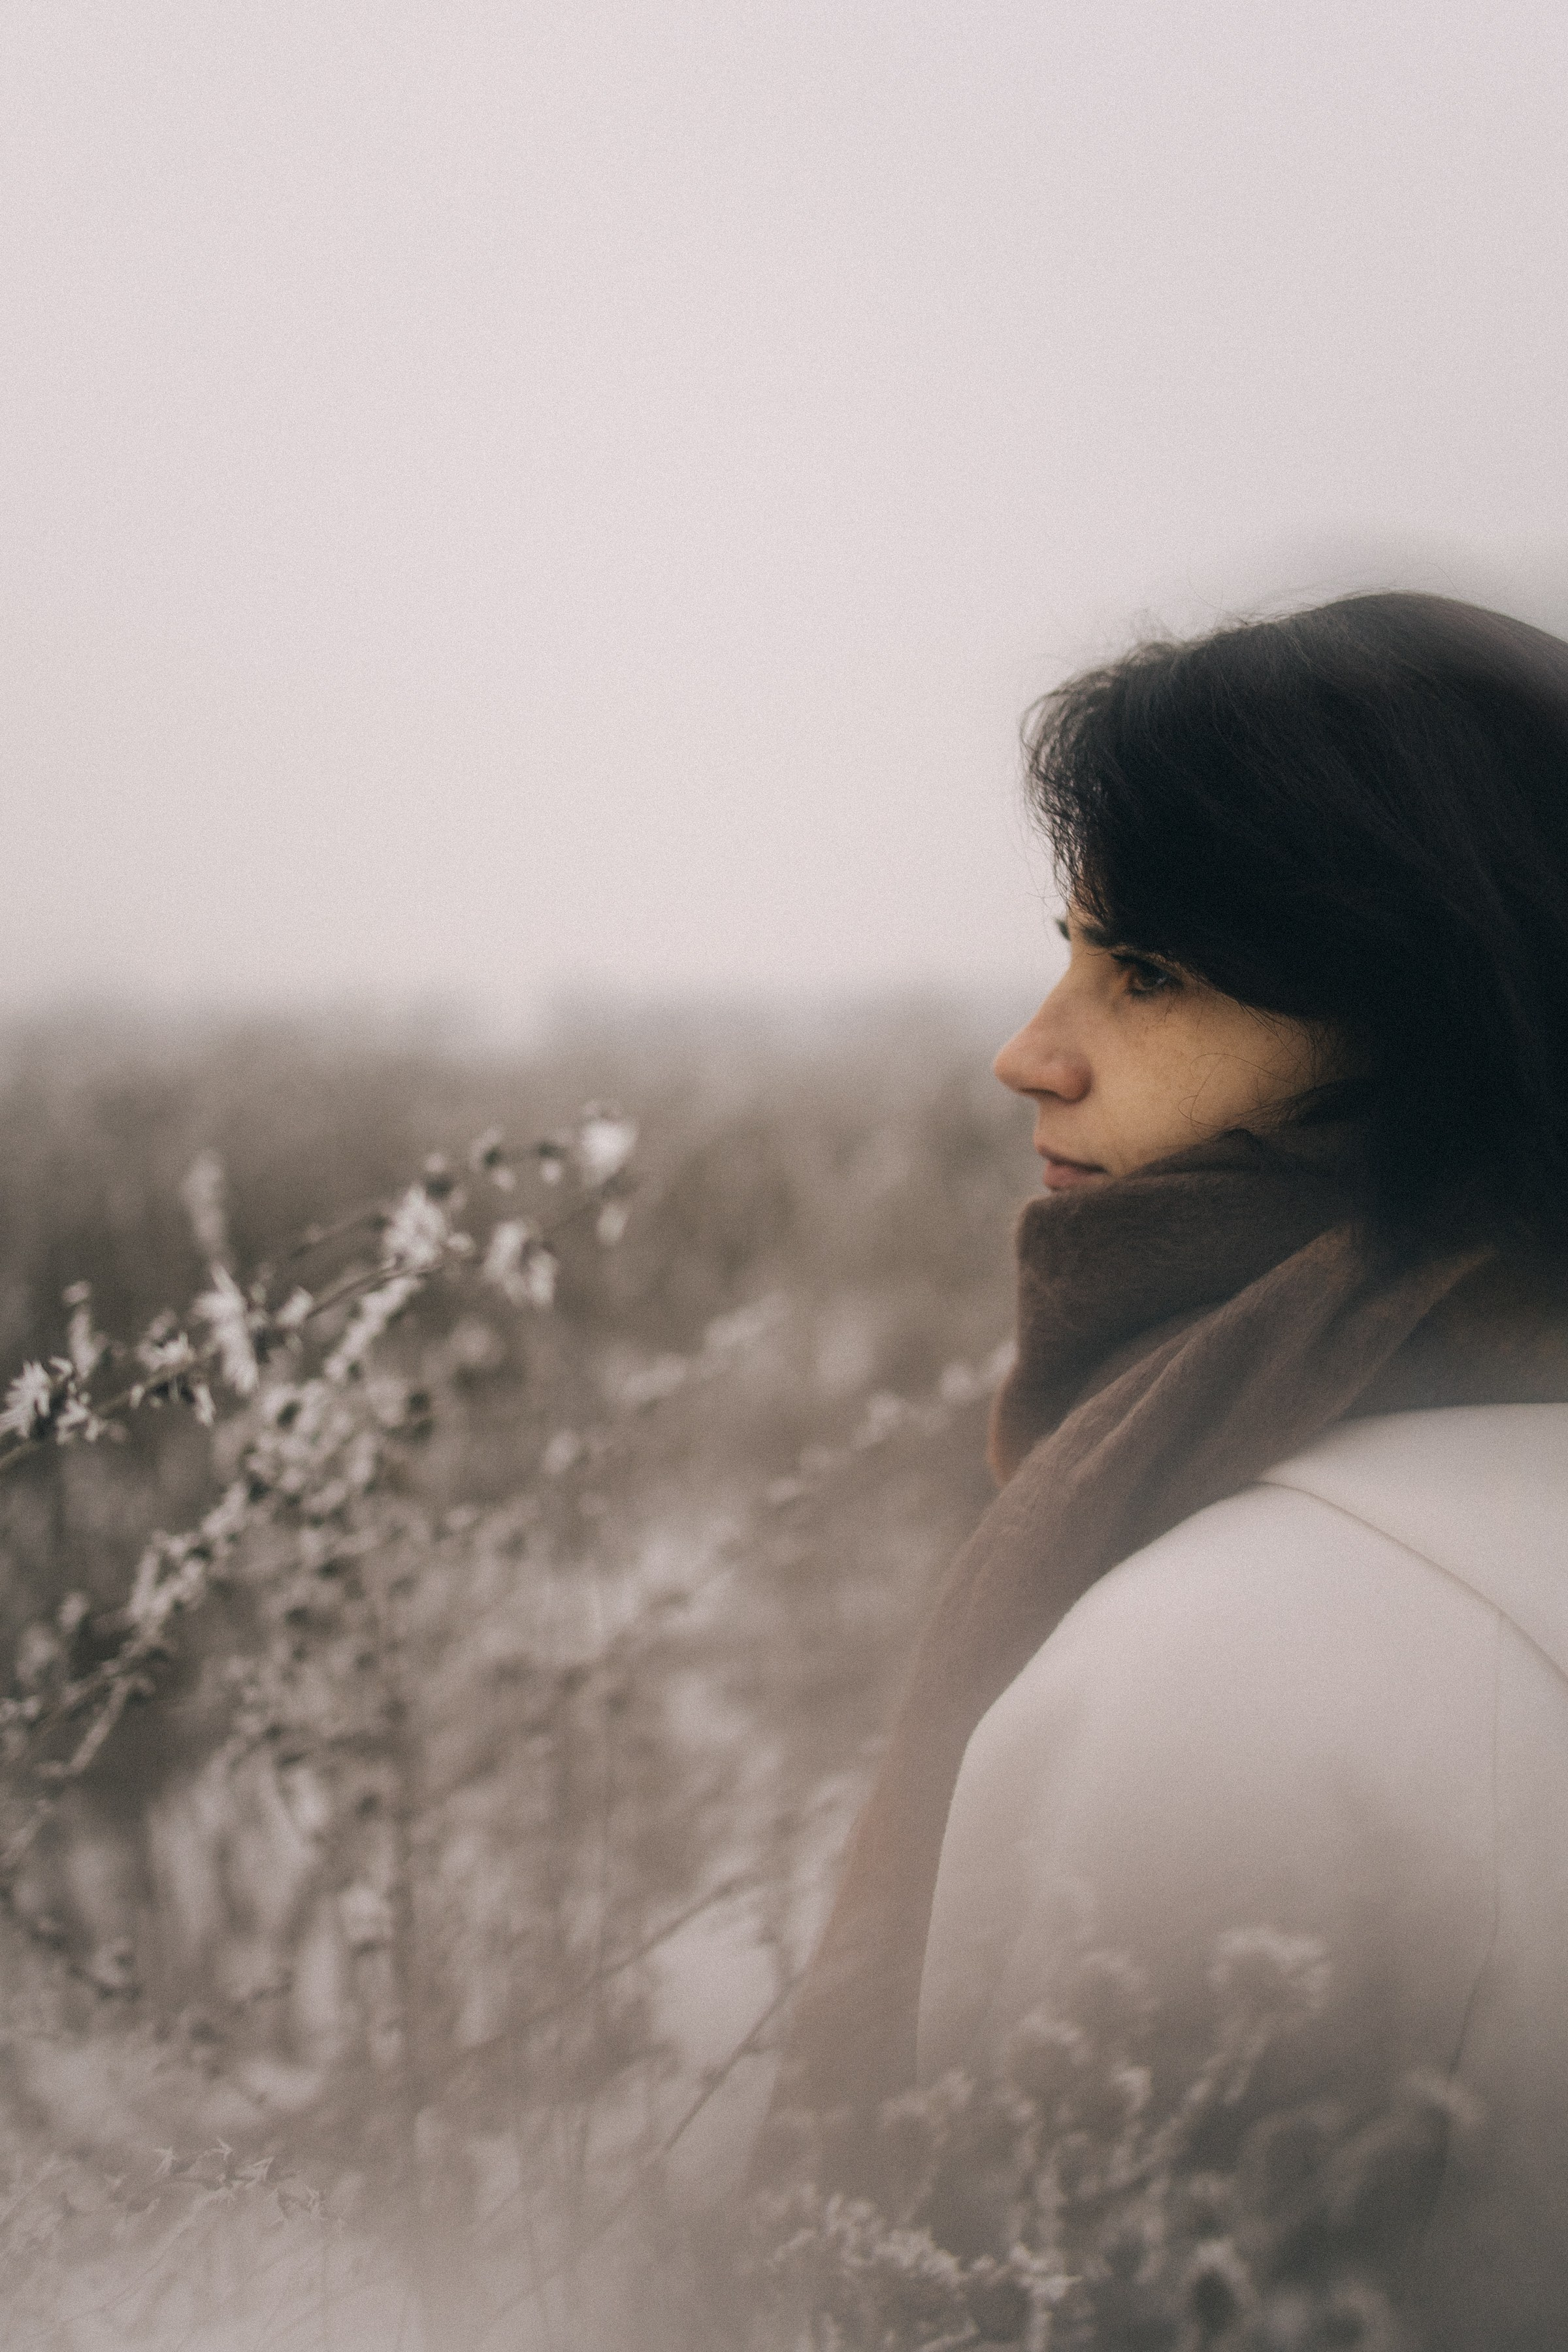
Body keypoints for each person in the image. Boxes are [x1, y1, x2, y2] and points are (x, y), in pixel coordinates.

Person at [766, 592, 1568, 2347]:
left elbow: (1019, 2281)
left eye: (1146, 974)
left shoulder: (1224, 1655)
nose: (1029, 1052)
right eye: (1072, 954)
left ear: (1428, 1028)